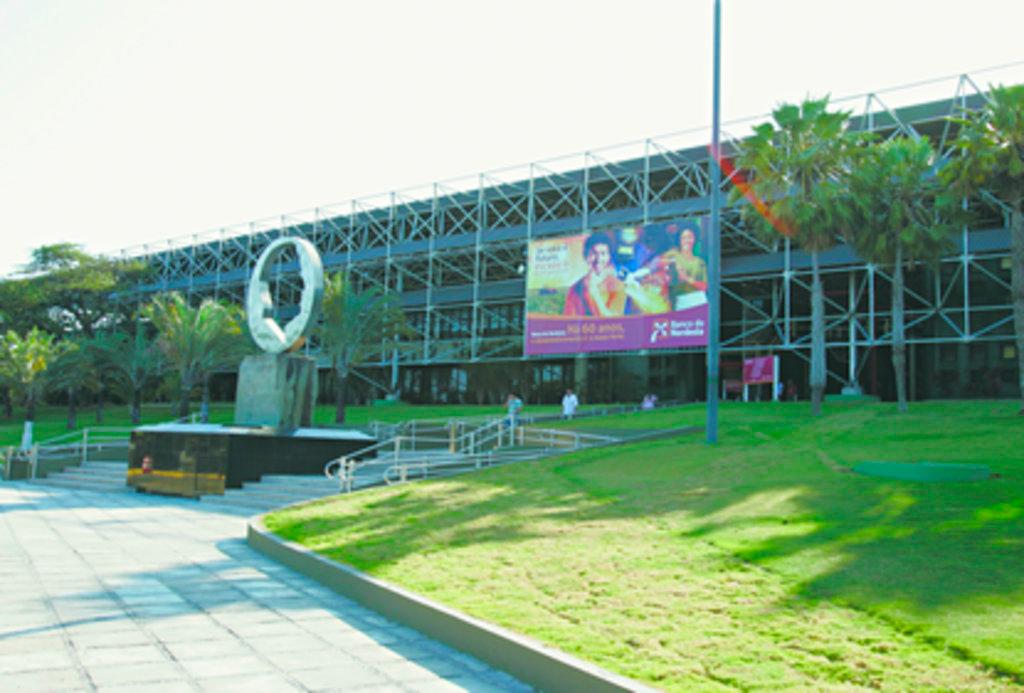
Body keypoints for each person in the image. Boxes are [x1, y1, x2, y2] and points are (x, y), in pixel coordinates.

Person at [563, 232, 626, 316]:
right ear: (585, 255)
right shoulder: (576, 287)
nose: (598, 259)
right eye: (594, 253)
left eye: (603, 253)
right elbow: (570, 319)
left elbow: (614, 320)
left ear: (609, 257)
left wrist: (594, 293)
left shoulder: (617, 285)